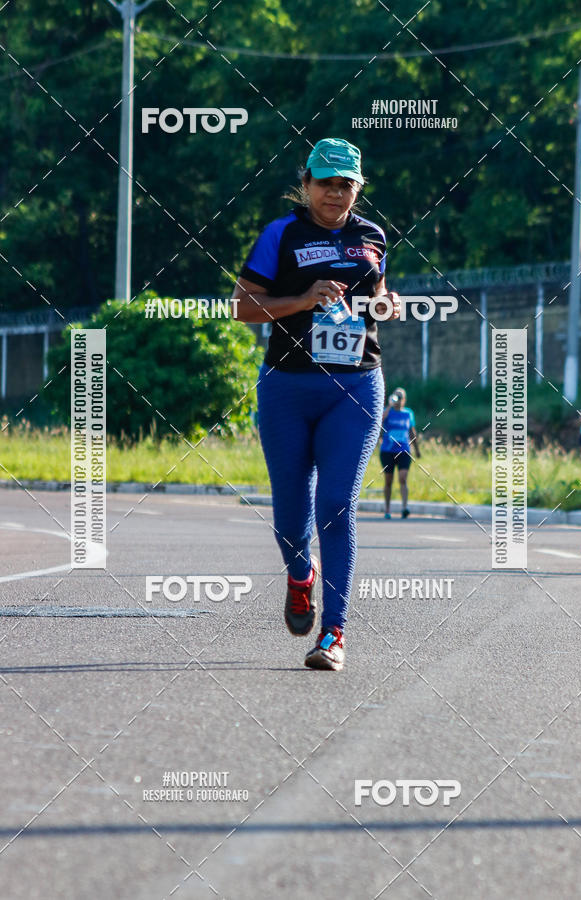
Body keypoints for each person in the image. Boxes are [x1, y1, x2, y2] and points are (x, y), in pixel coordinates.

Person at [232, 138, 401, 671]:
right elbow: (243, 307)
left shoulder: (370, 235)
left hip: (355, 386)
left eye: (346, 183)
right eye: (326, 182)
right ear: (305, 183)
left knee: (335, 504)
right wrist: (304, 299)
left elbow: (378, 293)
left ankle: (334, 635)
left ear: (358, 188)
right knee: (290, 519)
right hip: (287, 386)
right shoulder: (280, 234)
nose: (335, 192)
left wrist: (385, 304)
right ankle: (300, 574)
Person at [380, 388, 420, 519]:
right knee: (388, 480)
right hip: (388, 450)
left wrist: (417, 449)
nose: (398, 400)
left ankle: (404, 507)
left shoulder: (408, 413)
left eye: (400, 398)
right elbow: (379, 421)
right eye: (396, 397)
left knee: (403, 478)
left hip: (403, 450)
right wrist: (389, 406)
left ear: (404, 400)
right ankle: (387, 509)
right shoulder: (388, 412)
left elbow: (411, 431)